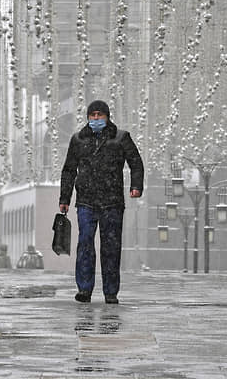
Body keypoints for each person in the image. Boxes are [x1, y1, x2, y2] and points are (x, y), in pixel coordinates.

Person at [59, 100, 144, 304]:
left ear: (107, 116)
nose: (96, 118)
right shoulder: (78, 140)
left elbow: (136, 163)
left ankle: (111, 291)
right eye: (93, 115)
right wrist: (65, 198)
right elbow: (69, 170)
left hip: (112, 202)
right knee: (85, 243)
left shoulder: (121, 138)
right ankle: (84, 289)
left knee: (111, 247)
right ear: (88, 117)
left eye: (100, 115)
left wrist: (136, 186)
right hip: (86, 201)